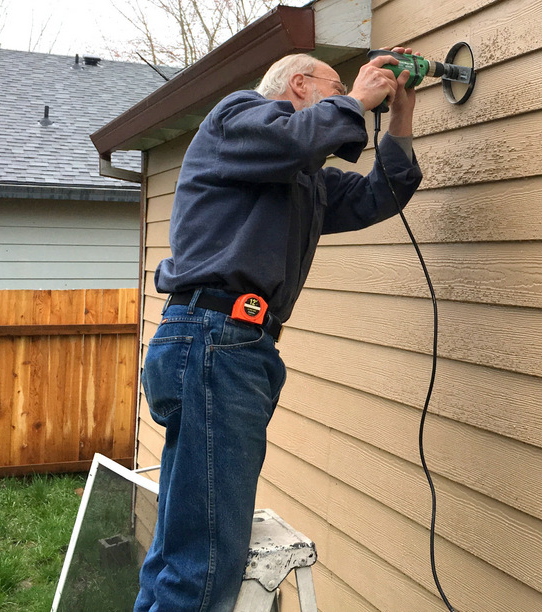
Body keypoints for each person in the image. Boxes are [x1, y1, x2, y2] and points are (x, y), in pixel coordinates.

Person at [134, 51, 422, 612]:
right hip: (214, 338)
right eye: (337, 84)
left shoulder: (302, 179)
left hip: (224, 347)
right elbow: (292, 139)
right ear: (298, 84)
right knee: (206, 562)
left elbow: (374, 197)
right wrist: (359, 97)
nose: (351, 96)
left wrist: (403, 117)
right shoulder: (237, 117)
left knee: (182, 547)